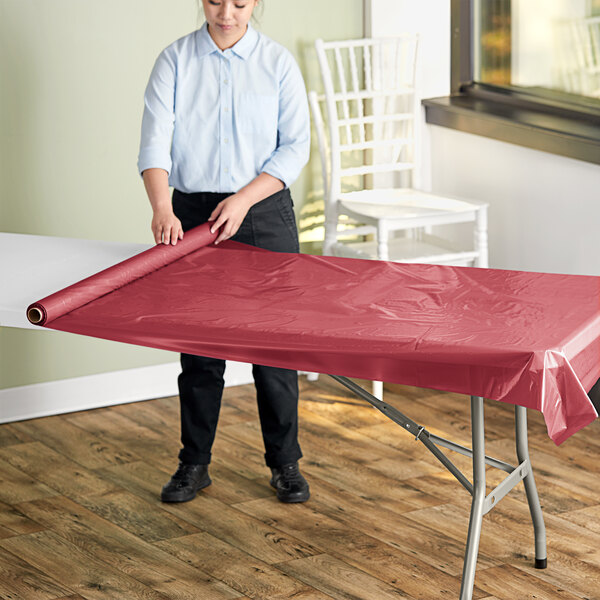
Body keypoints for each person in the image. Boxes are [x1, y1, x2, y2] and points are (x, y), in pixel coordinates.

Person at [138, 0, 310, 503]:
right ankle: (193, 465)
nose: (227, 13)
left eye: (240, 2)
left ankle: (285, 464)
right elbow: (154, 143)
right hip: (190, 214)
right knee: (199, 349)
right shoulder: (174, 60)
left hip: (262, 210)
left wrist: (243, 199)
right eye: (216, 0)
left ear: (257, 3)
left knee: (273, 349)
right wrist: (161, 208)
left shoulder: (277, 63)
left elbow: (295, 145)